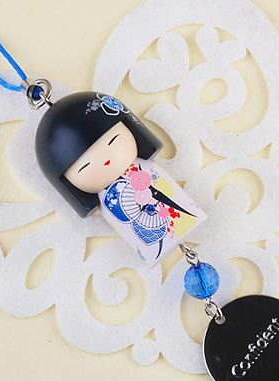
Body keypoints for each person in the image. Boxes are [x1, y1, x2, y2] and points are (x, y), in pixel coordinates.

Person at [35, 92, 206, 266]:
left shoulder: (144, 169)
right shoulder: (109, 202)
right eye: (85, 166)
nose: (106, 161)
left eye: (113, 140)